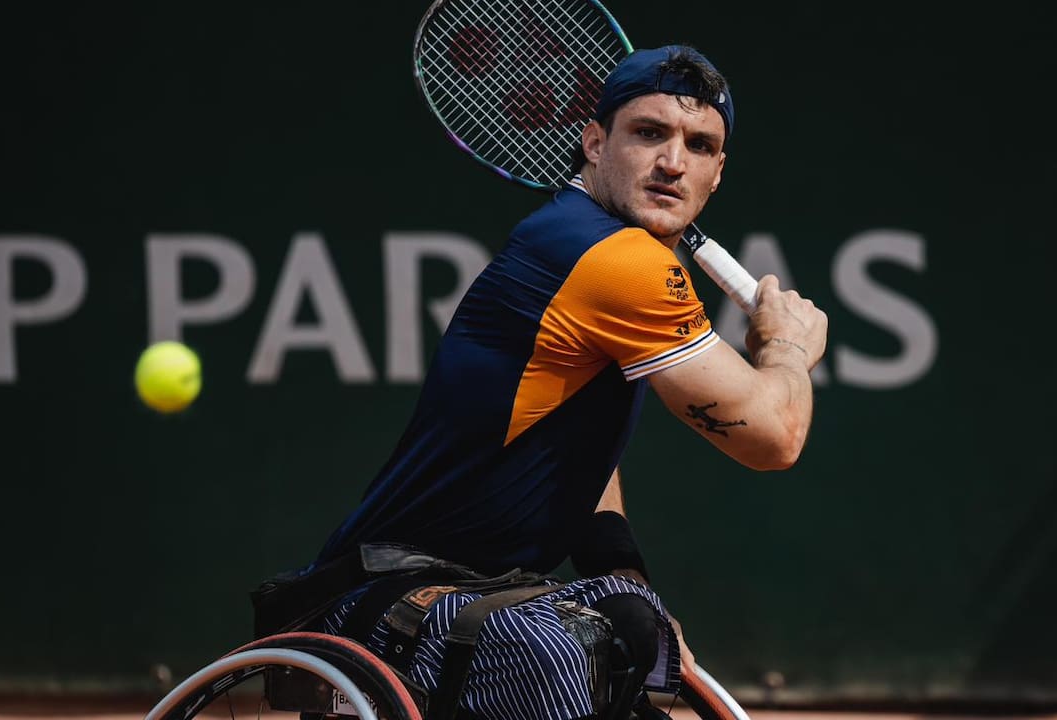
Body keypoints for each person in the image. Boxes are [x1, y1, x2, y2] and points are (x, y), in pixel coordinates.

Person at [262, 45, 827, 720]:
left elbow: (573, 457)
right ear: (594, 143)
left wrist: (624, 584)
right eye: (648, 133)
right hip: (388, 602)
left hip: (482, 589)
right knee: (552, 650)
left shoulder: (588, 239)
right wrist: (786, 350)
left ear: (717, 172)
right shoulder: (613, 258)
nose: (673, 162)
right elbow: (776, 438)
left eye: (699, 145)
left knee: (634, 619)